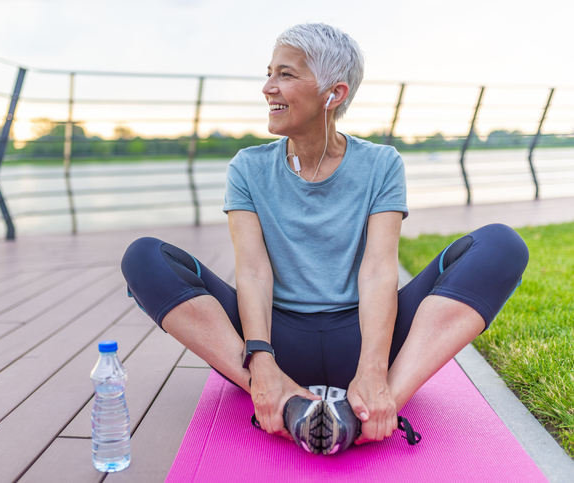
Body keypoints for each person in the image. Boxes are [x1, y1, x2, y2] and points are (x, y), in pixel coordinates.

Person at [121, 23, 528, 455]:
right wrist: (261, 361)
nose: (267, 88)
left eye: (285, 74)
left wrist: (372, 367)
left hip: (367, 337)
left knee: (501, 246)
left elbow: (377, 271)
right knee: (143, 258)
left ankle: (379, 402)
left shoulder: (381, 163)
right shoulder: (247, 167)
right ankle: (279, 395)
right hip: (275, 343)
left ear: (333, 94)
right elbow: (254, 272)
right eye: (269, 73)